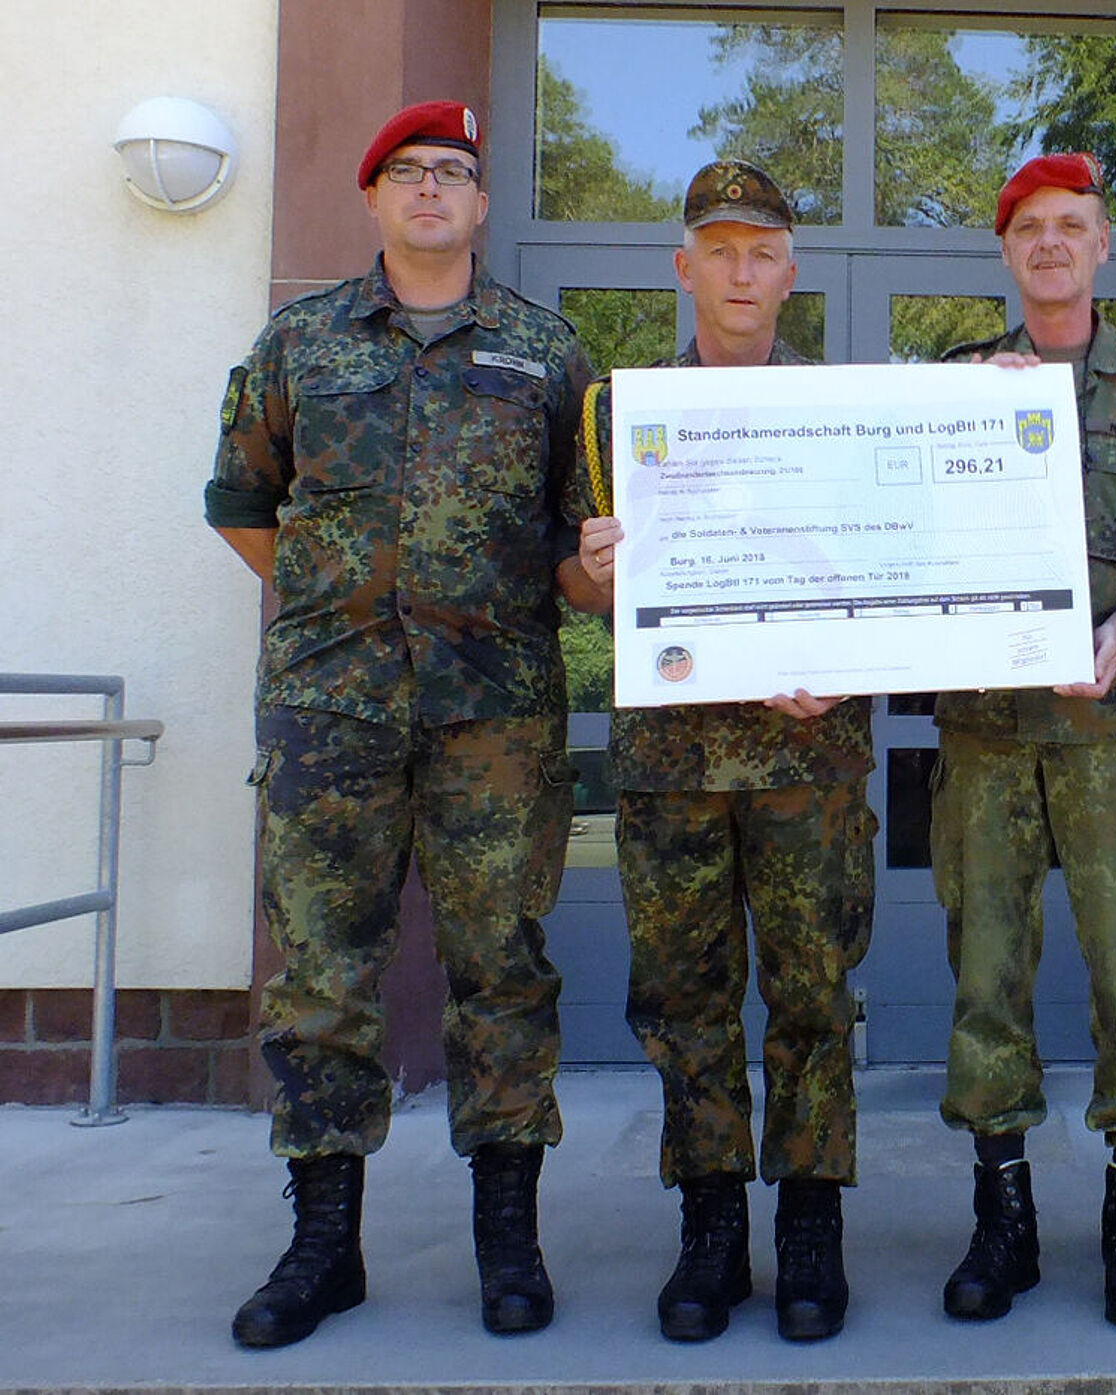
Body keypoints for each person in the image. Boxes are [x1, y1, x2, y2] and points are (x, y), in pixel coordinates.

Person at [205, 101, 593, 1346]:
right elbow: (242, 505)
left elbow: (585, 547)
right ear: (374, 199)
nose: (433, 190)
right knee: (323, 977)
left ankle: (507, 1239)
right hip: (334, 710)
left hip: (498, 715)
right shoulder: (298, 344)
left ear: (482, 207)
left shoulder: (549, 352)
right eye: (410, 172)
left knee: (503, 969)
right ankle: (324, 1243)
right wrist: (338, 608)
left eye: (456, 174)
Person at [565, 161, 876, 1345]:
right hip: (672, 764)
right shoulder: (617, 411)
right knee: (686, 1002)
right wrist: (595, 580)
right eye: (720, 250)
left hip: (809, 758)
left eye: (764, 251)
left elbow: (882, 581)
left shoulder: (842, 410)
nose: (742, 271)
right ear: (683, 268)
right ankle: (709, 1224)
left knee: (811, 993)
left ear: (790, 274)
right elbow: (584, 582)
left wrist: (851, 653)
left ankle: (807, 1221)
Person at [931, 152, 1116, 1328]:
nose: (1050, 243)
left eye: (1073, 225)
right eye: (1029, 229)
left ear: (1105, 246)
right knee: (985, 980)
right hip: (990, 741)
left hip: (1115, 729)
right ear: (1007, 253)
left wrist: (1113, 635)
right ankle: (1000, 1220)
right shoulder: (955, 380)